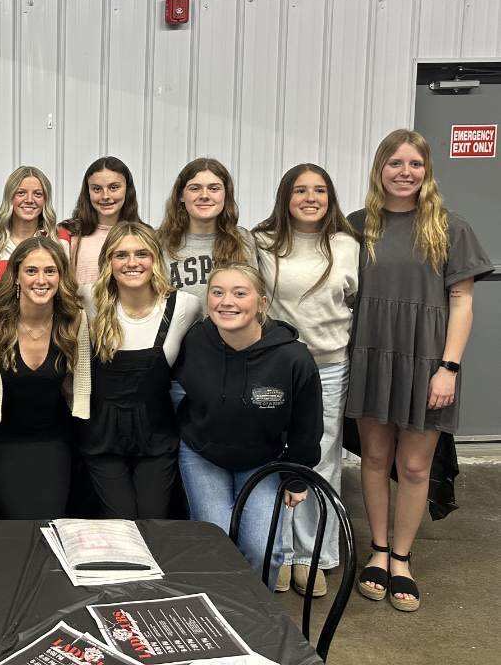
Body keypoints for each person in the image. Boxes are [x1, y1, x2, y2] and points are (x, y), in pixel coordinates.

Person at [348, 130, 492, 612]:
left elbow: (463, 301)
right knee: (373, 459)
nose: (404, 172)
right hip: (371, 356)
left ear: (427, 170)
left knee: (414, 466)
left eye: (414, 163)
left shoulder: (450, 228)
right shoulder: (355, 226)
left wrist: (448, 367)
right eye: (395, 162)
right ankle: (379, 551)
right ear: (379, 168)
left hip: (428, 363)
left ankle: (403, 559)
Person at [174, 263, 322, 589]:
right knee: (219, 540)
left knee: (262, 549)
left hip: (263, 461)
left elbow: (307, 426)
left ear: (261, 302)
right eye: (218, 292)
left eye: (240, 293)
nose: (227, 301)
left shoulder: (293, 359)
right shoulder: (195, 340)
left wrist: (297, 478)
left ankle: (257, 616)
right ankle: (221, 614)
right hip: (203, 455)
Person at [253, 164, 360, 597]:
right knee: (275, 454)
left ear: (330, 197)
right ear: (286, 196)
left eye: (319, 190)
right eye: (300, 190)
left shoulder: (347, 243)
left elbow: (354, 300)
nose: (310, 198)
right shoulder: (263, 243)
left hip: (330, 365)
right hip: (277, 364)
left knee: (320, 458)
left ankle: (312, 556)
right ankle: (279, 553)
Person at [79, 222, 202, 520]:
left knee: (152, 520)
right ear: (108, 261)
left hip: (157, 436)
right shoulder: (89, 299)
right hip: (102, 437)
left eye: (141, 254)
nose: (132, 263)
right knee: (120, 521)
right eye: (121, 255)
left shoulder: (185, 306)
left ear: (155, 260)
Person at [0, 237, 91, 519]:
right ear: (17, 276)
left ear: (61, 276)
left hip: (53, 442)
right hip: (1, 442)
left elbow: (81, 385)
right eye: (31, 271)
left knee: (50, 520)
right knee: (17, 523)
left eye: (50, 271)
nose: (41, 279)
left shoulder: (74, 319)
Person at [157, 157, 252, 299]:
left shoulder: (244, 239)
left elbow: (253, 296)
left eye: (214, 188)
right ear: (181, 196)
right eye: (195, 188)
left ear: (226, 195)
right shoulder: (159, 241)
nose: (204, 196)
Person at [59, 157, 139, 286]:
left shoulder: (144, 234)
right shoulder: (68, 232)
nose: (105, 196)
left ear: (127, 189)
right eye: (97, 189)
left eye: (114, 187)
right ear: (87, 192)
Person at [0, 165, 68, 286]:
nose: (29, 200)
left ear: (45, 200)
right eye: (21, 193)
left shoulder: (59, 240)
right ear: (10, 197)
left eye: (37, 194)